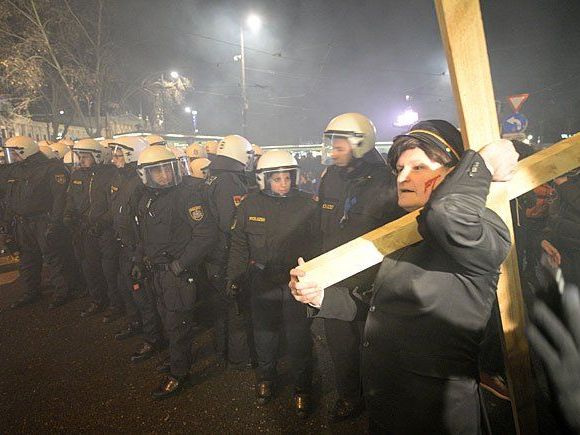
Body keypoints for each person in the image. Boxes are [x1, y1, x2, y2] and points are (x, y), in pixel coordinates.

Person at [290, 120, 519, 433]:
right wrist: (321, 297)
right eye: (399, 168)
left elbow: (447, 214)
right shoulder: (405, 234)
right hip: (389, 408)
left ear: (455, 173)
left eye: (419, 166)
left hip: (437, 417)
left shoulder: (481, 231)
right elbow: (378, 305)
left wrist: (482, 165)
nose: (403, 177)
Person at [315, 112, 403, 422]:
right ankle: (349, 396)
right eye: (332, 146)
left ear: (361, 144)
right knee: (340, 349)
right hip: (334, 282)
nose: (333, 152)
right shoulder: (330, 178)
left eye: (340, 147)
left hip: (373, 287)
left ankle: (381, 399)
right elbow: (322, 228)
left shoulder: (389, 183)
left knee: (376, 349)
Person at [226, 150, 318, 417]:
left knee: (299, 336)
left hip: (295, 281)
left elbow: (318, 246)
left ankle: (302, 387)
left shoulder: (308, 204)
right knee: (264, 334)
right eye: (276, 178)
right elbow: (240, 246)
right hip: (262, 280)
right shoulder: (249, 205)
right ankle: (265, 378)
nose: (283, 183)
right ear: (263, 179)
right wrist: (234, 277)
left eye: (287, 177)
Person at [134, 146, 217, 398]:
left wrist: (182, 263)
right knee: (167, 320)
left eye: (167, 169)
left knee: (177, 324)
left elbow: (205, 235)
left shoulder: (187, 195)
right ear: (145, 175)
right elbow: (145, 236)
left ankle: (179, 373)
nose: (164, 175)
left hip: (176, 274)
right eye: (157, 171)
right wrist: (139, 260)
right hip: (157, 272)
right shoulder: (148, 198)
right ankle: (177, 359)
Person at [1, 136, 71, 309]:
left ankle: (62, 292)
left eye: (15, 153)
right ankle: (30, 292)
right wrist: (7, 223)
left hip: (42, 220)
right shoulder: (15, 170)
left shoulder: (50, 168)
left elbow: (59, 199)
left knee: (53, 258)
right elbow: (9, 198)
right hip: (22, 223)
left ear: (25, 151)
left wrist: (54, 223)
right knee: (27, 259)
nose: (12, 157)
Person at [204, 134, 254, 369]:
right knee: (235, 308)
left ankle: (223, 349)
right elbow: (231, 222)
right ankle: (239, 356)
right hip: (225, 254)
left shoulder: (215, 176)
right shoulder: (230, 182)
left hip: (214, 253)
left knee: (221, 307)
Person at [67, 138, 121, 321]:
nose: (81, 160)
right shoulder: (77, 175)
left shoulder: (109, 175)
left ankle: (115, 304)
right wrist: (69, 215)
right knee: (90, 268)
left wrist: (104, 221)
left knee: (109, 269)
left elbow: (115, 204)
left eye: (85, 156)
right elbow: (70, 199)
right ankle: (97, 300)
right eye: (79, 156)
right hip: (85, 229)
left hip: (105, 231)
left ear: (97, 157)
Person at [541, 168, 580, 288]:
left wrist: (565, 184)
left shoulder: (566, 181)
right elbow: (554, 215)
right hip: (562, 251)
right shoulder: (566, 174)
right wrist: (545, 239)